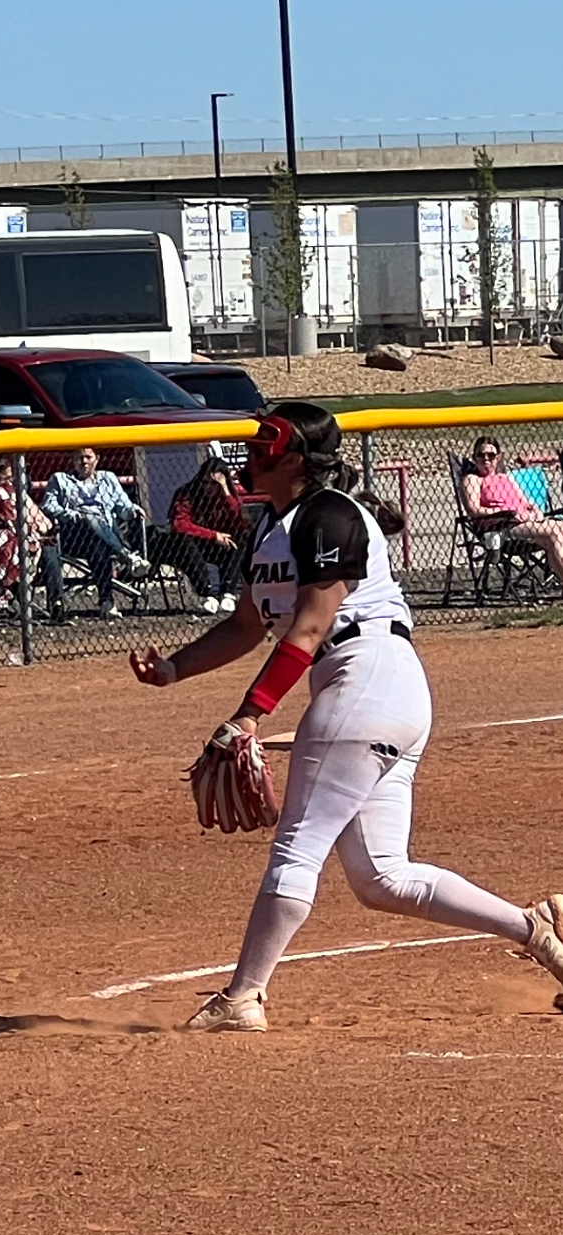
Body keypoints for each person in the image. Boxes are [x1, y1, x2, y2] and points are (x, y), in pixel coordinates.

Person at [130, 399, 563, 1032]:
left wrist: (249, 715)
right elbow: (249, 625)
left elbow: (309, 629)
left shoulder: (329, 516)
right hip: (370, 689)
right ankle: (537, 933)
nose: (250, 456)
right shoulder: (271, 527)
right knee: (381, 879)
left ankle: (242, 997)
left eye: (264, 446)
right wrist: (173, 668)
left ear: (296, 459)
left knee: (297, 850)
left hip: (366, 678)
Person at [0, 455, 68, 622]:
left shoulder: (15, 495)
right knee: (8, 549)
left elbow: (45, 522)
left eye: (10, 479)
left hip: (25, 544)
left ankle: (56, 604)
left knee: (50, 551)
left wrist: (35, 525)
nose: (7, 484)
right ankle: (22, 607)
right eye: (2, 480)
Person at [41, 448, 148, 619]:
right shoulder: (60, 479)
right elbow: (48, 505)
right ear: (73, 460)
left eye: (88, 457)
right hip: (73, 535)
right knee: (90, 518)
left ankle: (107, 603)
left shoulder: (108, 478)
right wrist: (73, 515)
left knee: (98, 548)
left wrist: (133, 510)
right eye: (78, 458)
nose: (83, 461)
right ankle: (128, 557)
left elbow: (123, 507)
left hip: (101, 540)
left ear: (97, 459)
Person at [460, 436, 563, 587]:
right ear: (474, 457)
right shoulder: (473, 479)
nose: (486, 459)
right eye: (481, 455)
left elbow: (527, 502)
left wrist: (535, 511)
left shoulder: (505, 478)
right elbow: (474, 510)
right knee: (554, 531)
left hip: (527, 522)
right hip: (504, 526)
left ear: (498, 458)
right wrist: (505, 511)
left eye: (491, 455)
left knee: (557, 533)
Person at [167, 451, 246, 614]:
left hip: (223, 544)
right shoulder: (187, 493)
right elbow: (179, 524)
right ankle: (207, 593)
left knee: (241, 539)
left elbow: (240, 523)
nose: (209, 488)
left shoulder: (227, 495)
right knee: (184, 539)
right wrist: (213, 535)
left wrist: (225, 492)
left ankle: (228, 593)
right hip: (196, 544)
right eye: (205, 483)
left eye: (214, 484)